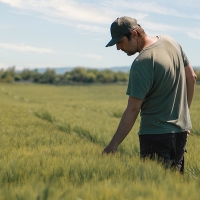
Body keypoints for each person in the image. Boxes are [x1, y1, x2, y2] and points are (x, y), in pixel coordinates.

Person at [102, 16, 197, 173]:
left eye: (120, 42)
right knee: (175, 192)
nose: (118, 48)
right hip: (180, 134)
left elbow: (133, 110)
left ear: (134, 34)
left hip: (155, 136)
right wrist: (184, 117)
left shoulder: (142, 63)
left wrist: (113, 146)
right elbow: (192, 78)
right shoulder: (170, 41)